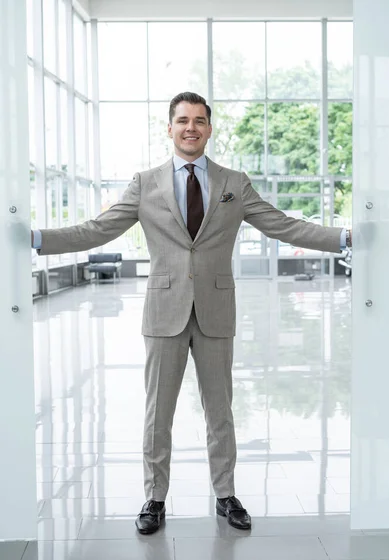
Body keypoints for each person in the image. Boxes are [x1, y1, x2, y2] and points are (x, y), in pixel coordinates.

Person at [32, 91, 352, 534]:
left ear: (209, 128)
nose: (191, 128)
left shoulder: (233, 183)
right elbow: (99, 228)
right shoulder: (146, 183)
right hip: (164, 310)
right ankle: (154, 499)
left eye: (199, 120)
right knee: (157, 411)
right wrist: (37, 239)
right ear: (169, 127)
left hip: (216, 309)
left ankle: (225, 495)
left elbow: (283, 224)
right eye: (182, 120)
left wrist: (344, 237)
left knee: (220, 409)